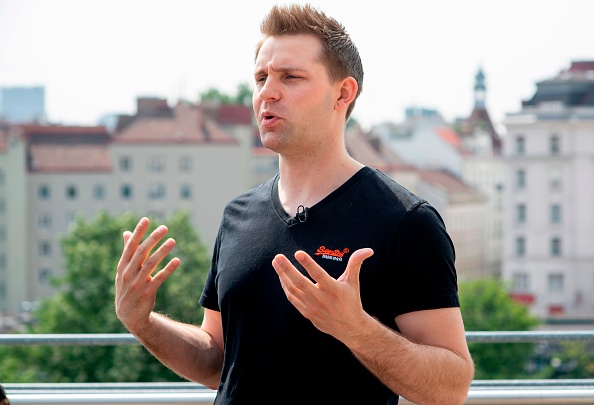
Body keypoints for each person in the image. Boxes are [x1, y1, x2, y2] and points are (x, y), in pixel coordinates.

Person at [115, 4, 474, 404]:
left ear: (343, 93)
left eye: (291, 77)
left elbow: (450, 388)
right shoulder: (238, 215)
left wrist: (356, 329)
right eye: (261, 77)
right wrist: (142, 322)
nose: (268, 91)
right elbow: (217, 361)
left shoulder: (406, 221)